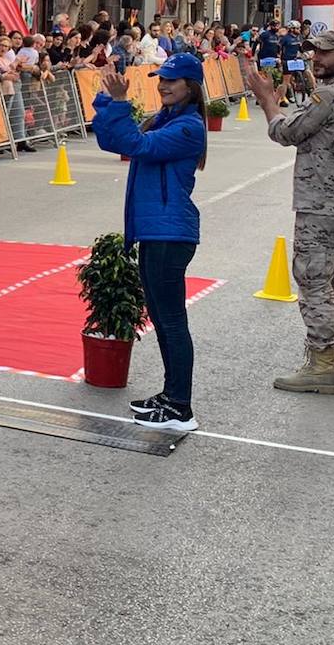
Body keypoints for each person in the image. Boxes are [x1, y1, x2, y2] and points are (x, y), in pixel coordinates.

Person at [248, 31, 334, 395]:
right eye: (314, 51)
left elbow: (287, 132)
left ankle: (320, 362)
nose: (316, 57)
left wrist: (268, 100)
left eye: (325, 52)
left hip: (320, 204)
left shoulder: (330, 96)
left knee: (314, 280)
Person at [92, 53, 208, 431]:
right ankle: (171, 395)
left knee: (172, 321)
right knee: (163, 319)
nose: (163, 85)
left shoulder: (189, 127)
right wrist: (108, 98)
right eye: (161, 79)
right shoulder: (165, 120)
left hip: (168, 234)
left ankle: (180, 407)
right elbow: (113, 140)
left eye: (171, 81)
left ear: (190, 86)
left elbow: (137, 145)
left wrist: (121, 103)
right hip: (156, 231)